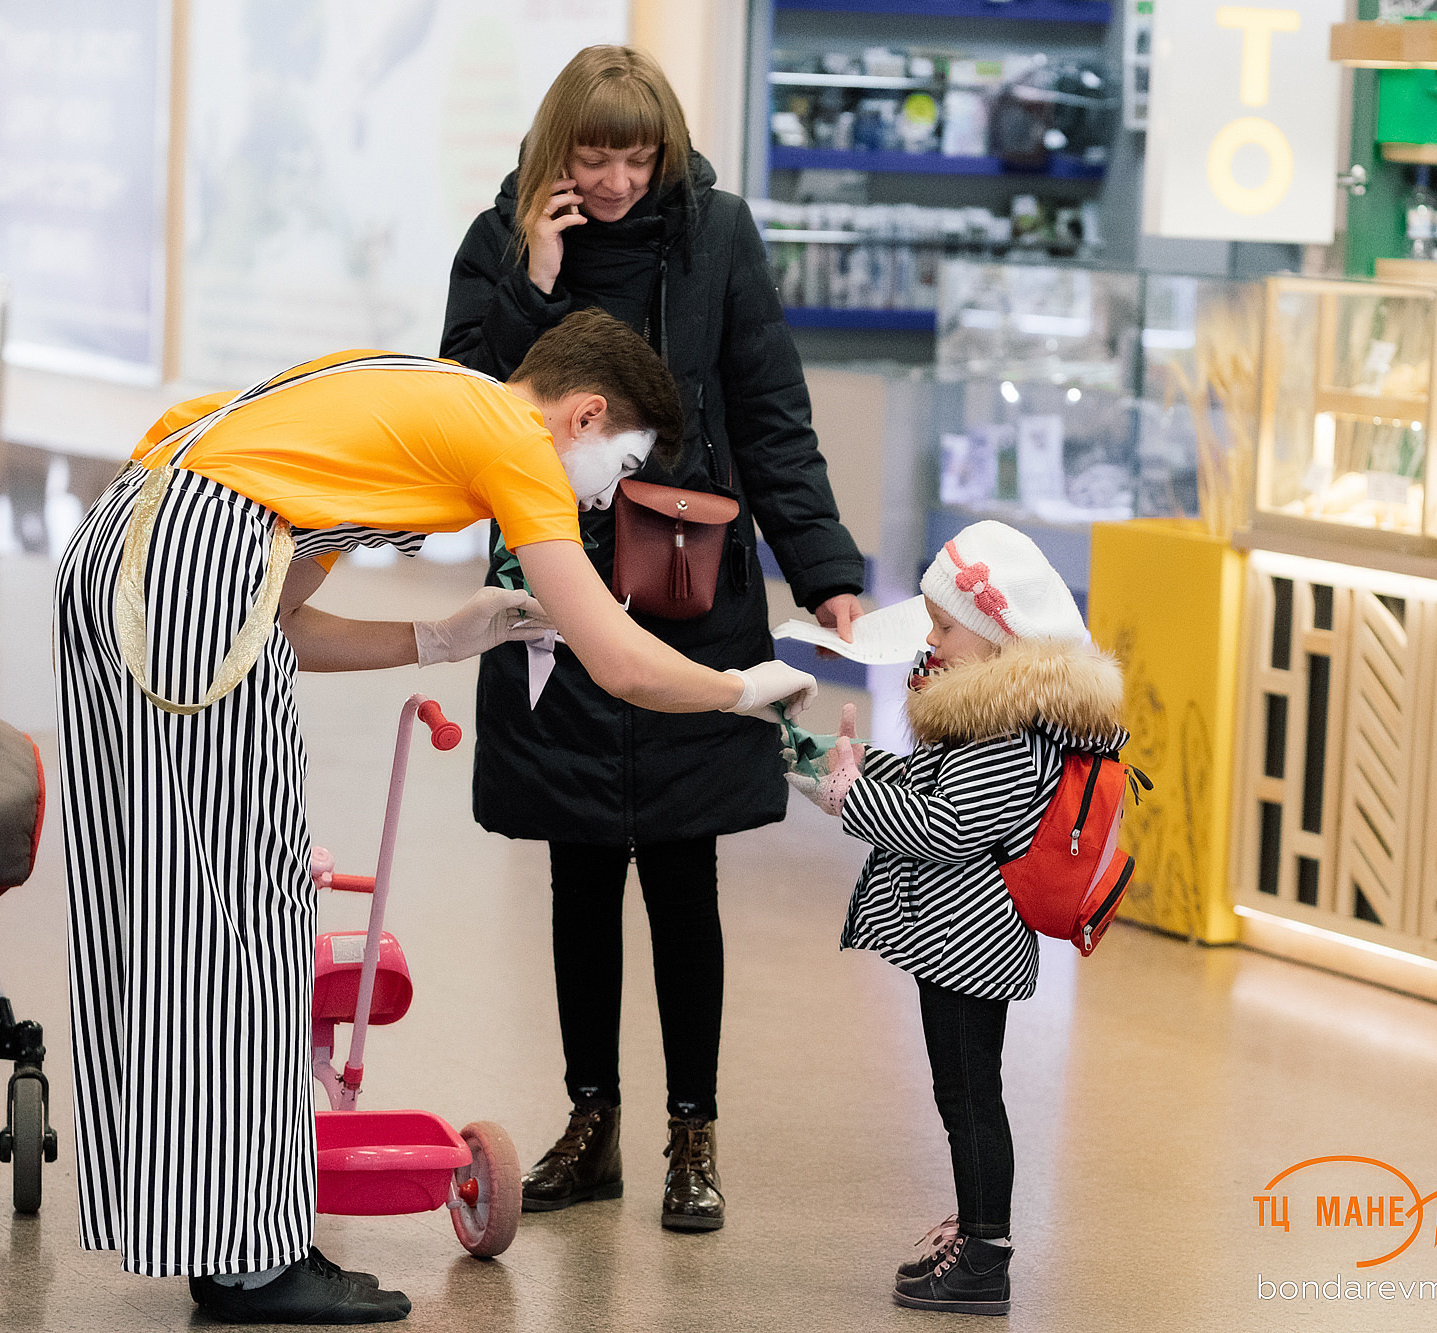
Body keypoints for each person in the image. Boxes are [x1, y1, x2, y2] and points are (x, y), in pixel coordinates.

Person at [55, 310, 817, 1324]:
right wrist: (743, 690)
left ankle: (222, 1237)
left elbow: (280, 628)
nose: (602, 493)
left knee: (172, 896)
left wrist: (444, 634)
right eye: (618, 461)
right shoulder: (511, 437)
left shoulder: (421, 401)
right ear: (584, 413)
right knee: (240, 901)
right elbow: (621, 660)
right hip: (185, 573)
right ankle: (250, 1262)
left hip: (131, 554)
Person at [440, 44, 866, 1231]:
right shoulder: (497, 238)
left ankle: (692, 1134)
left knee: (683, 871)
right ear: (556, 150)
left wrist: (825, 572)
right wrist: (534, 278)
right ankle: (591, 1127)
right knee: (579, 865)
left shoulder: (717, 235)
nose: (618, 179)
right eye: (595, 155)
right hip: (555, 598)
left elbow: (771, 413)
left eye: (637, 155)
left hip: (696, 594)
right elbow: (464, 410)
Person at [789, 521, 1125, 1318]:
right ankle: (979, 1236)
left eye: (944, 627)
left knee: (971, 1094)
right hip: (959, 936)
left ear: (998, 635)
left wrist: (846, 795)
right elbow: (936, 785)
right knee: (962, 1089)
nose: (930, 640)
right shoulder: (986, 710)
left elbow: (948, 826)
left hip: (972, 941)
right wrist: (841, 766)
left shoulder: (1006, 726)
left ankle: (985, 1253)